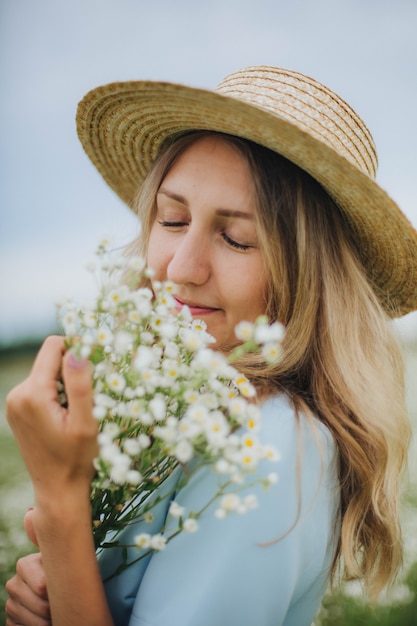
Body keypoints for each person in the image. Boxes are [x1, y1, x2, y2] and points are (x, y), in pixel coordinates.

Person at [5, 66, 417, 626]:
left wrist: (58, 505)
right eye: (172, 219)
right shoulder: (195, 416)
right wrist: (68, 573)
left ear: (309, 278)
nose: (180, 268)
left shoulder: (270, 443)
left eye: (236, 238)